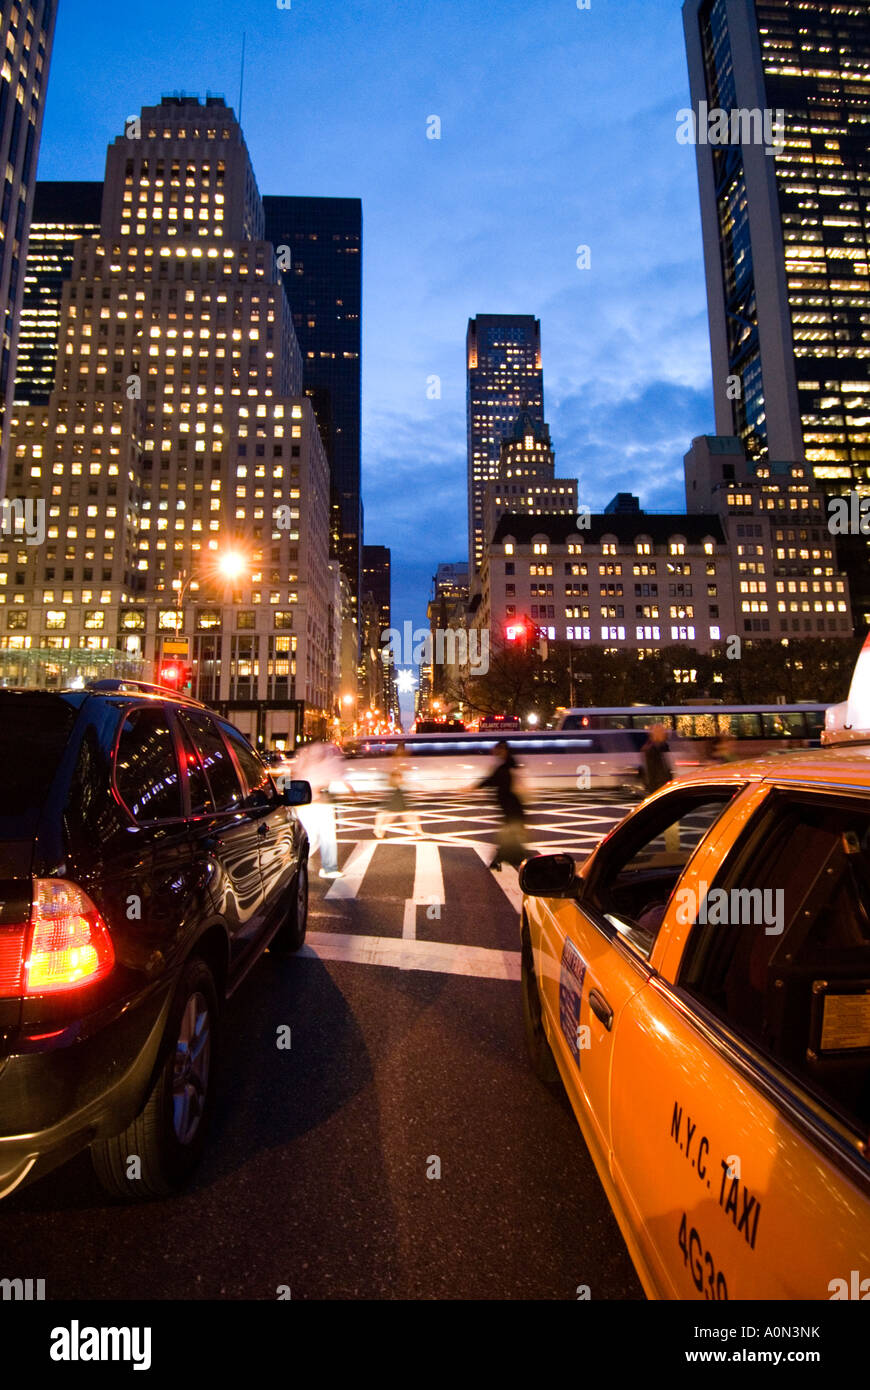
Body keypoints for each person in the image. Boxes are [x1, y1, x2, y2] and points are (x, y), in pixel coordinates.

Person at [290, 740, 349, 879]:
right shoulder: (326, 758)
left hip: (309, 801)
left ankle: (300, 865)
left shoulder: (303, 756)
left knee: (316, 836)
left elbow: (292, 776)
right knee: (321, 836)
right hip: (317, 801)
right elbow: (338, 775)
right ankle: (325, 868)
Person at [477, 740, 527, 872]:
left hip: (511, 809)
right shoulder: (508, 766)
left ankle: (500, 861)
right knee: (510, 840)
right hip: (511, 808)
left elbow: (490, 780)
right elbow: (491, 780)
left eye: (497, 750)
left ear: (503, 751)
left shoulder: (505, 769)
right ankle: (499, 861)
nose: (494, 752)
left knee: (508, 839)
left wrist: (471, 788)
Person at [374, 743, 423, 839]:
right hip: (396, 790)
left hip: (397, 790)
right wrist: (407, 781)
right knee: (397, 812)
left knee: (401, 811)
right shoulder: (396, 760)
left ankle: (417, 831)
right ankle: (378, 831)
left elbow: (395, 774)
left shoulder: (396, 760)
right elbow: (395, 775)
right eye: (403, 750)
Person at [641, 723, 673, 795]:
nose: (664, 734)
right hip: (657, 788)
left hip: (663, 787)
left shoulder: (663, 746)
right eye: (661, 732)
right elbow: (651, 772)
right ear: (655, 734)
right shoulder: (651, 749)